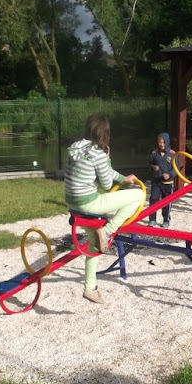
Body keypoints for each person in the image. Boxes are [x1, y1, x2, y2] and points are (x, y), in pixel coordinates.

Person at [65, 114, 145, 305]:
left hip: (72, 204)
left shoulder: (76, 146)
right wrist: (108, 159)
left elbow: (104, 172)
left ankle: (90, 288)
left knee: (95, 243)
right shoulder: (99, 154)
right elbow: (107, 184)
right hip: (88, 203)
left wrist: (123, 178)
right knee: (138, 195)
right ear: (105, 133)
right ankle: (108, 231)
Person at [147, 132, 179, 227]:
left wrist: (169, 175)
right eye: (160, 142)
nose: (161, 144)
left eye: (163, 142)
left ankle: (166, 220)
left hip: (167, 183)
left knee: (166, 202)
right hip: (156, 181)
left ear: (167, 142)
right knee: (154, 199)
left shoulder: (172, 154)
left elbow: (176, 168)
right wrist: (153, 167)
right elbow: (149, 165)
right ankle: (152, 219)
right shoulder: (154, 153)